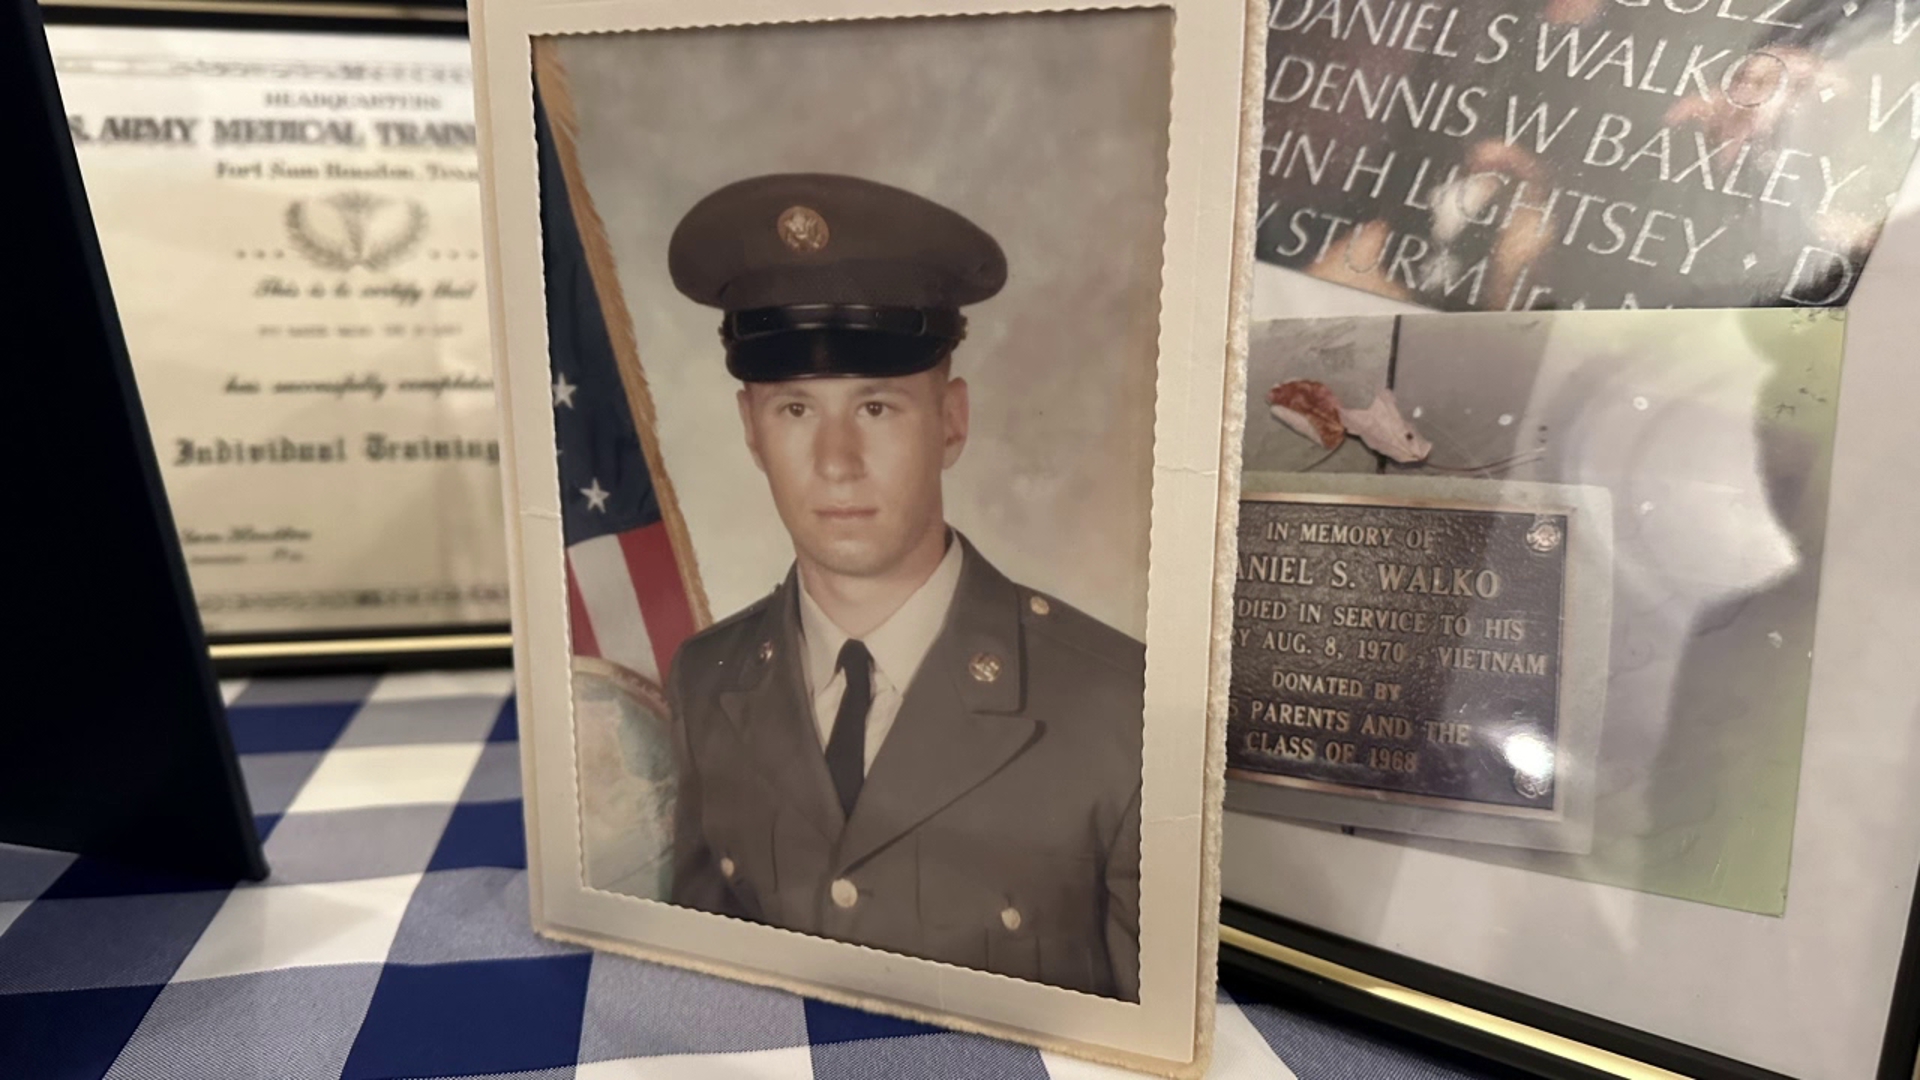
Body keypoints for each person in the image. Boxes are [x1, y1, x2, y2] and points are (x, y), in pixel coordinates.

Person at [661, 173, 1145, 1000]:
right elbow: (705, 994)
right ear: (750, 430)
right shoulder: (709, 679)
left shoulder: (1120, 707)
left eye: (878, 408)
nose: (837, 461)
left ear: (951, 423)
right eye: (796, 412)